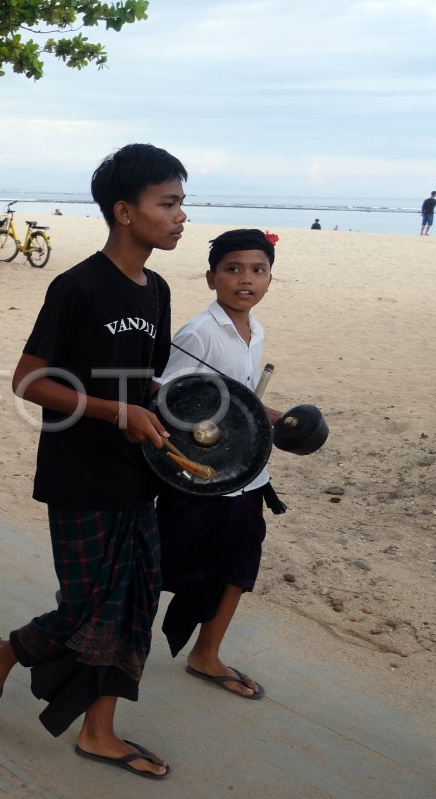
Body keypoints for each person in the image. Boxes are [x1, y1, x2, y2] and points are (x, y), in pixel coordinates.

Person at [0, 143, 186, 781]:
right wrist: (116, 414)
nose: (179, 217)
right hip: (79, 473)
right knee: (89, 608)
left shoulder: (159, 290)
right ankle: (7, 652)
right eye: (166, 204)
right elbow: (29, 381)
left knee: (136, 602)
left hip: (139, 472)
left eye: (180, 203)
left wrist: (181, 408)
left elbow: (144, 381)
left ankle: (99, 731)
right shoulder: (78, 286)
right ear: (124, 211)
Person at [154, 228, 287, 704]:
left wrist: (279, 420)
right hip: (200, 478)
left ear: (270, 278)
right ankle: (102, 643)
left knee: (239, 566)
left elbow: (243, 401)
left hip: (248, 476)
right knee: (164, 566)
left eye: (257, 270)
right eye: (233, 269)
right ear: (212, 278)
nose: (245, 280)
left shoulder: (256, 331)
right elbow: (167, 397)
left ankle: (206, 654)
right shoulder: (200, 332)